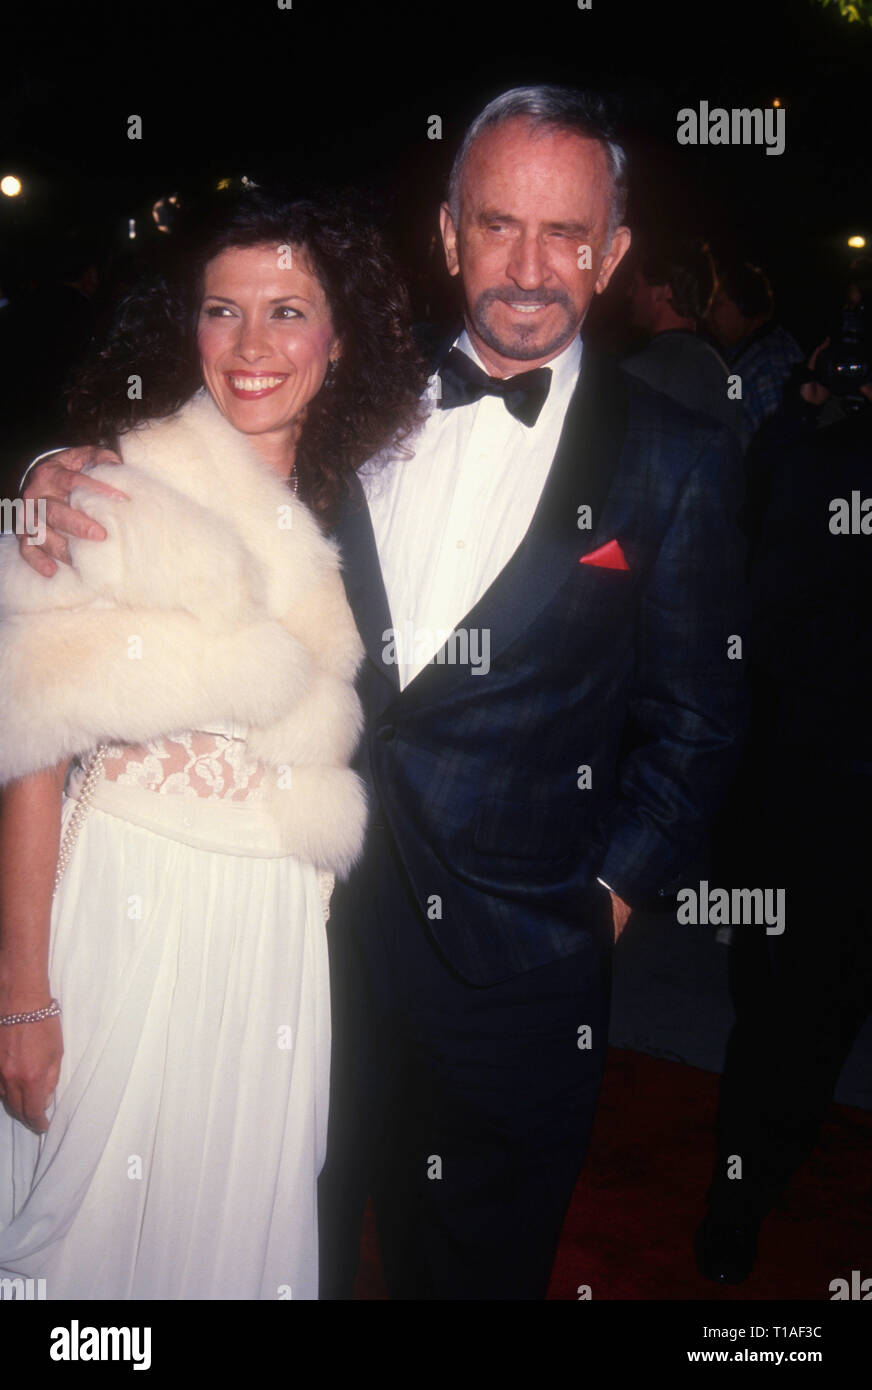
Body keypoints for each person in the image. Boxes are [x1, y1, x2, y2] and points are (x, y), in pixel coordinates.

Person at [19, 86, 749, 1302]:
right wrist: (50, 467)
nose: (528, 267)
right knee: (252, 1243)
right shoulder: (348, 396)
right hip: (299, 946)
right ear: (449, 234)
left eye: (566, 235)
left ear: (613, 253)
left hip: (514, 985)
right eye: (497, 225)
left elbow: (699, 721)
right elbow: (194, 439)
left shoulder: (681, 456)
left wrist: (600, 901)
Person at [0, 189, 424, 1299]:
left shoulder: (363, 497)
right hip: (129, 911)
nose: (249, 347)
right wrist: (23, 991)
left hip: (278, 926)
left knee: (221, 1239)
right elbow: (32, 752)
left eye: (286, 312)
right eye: (220, 311)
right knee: (88, 1248)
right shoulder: (112, 487)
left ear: (339, 340)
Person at [695, 345, 872, 1284]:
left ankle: (744, 1190)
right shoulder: (806, 449)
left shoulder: (800, 447)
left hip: (786, 760)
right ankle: (750, 1183)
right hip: (800, 765)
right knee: (801, 1001)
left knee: (781, 999)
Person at [623, 234, 749, 446]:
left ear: (663, 292)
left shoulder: (636, 373)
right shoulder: (725, 371)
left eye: (636, 284)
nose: (629, 293)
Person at [704, 261, 804, 435]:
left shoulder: (771, 361)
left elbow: (784, 441)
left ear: (745, 305)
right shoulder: (744, 355)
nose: (709, 314)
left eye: (718, 304)